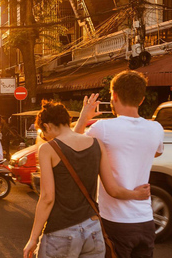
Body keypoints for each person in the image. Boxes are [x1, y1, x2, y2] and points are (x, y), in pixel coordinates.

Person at [23, 101, 151, 258]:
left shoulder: (48, 149)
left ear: (47, 126)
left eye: (43, 133)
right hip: (93, 231)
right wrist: (137, 195)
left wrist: (33, 238)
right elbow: (113, 189)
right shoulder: (97, 144)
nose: (45, 137)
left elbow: (47, 198)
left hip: (60, 232)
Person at [73, 70, 164, 258]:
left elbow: (72, 147)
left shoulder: (103, 128)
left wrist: (84, 117)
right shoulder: (156, 128)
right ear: (141, 100)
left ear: (113, 96)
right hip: (146, 221)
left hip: (115, 222)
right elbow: (155, 152)